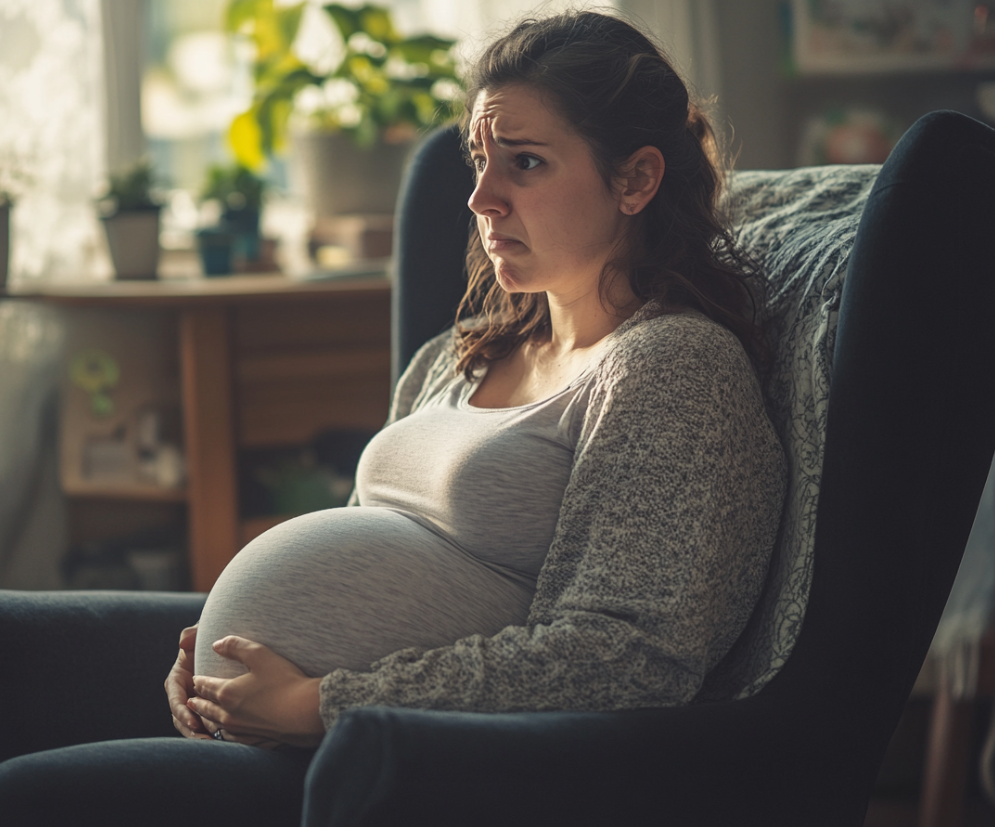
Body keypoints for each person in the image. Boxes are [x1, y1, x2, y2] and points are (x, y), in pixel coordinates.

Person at [167, 9, 786, 751]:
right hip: (270, 743)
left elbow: (627, 657)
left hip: (400, 766)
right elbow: (365, 545)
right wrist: (214, 658)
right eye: (478, 158)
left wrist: (326, 704)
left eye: (523, 162)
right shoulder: (457, 354)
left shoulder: (674, 368)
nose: (479, 197)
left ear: (635, 179)